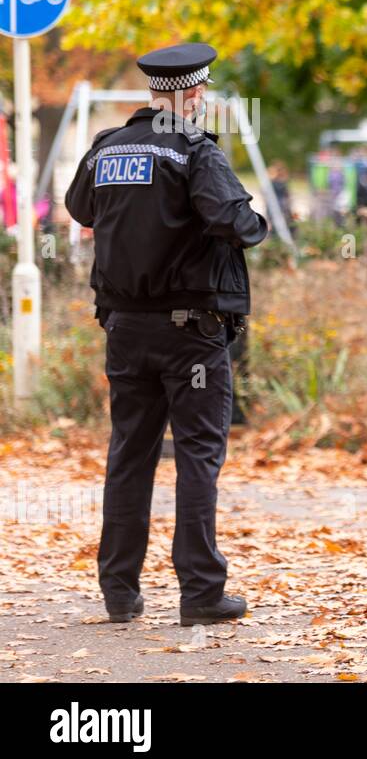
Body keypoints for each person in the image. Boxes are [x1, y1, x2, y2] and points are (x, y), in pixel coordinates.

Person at [64, 42, 269, 626]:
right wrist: (247, 218)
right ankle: (202, 594)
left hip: (125, 328)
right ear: (194, 94)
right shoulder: (194, 150)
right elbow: (239, 224)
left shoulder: (106, 147)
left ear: (152, 93)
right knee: (198, 457)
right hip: (191, 333)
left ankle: (119, 592)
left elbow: (81, 209)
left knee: (129, 455)